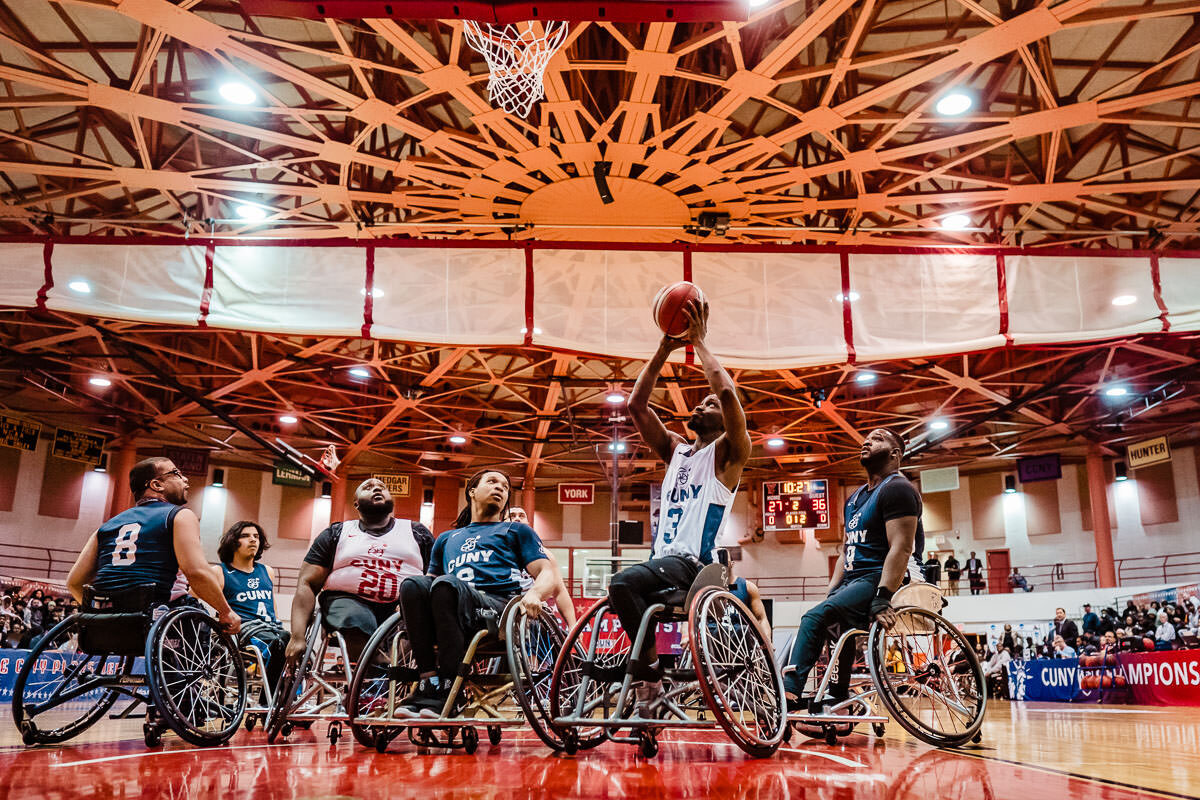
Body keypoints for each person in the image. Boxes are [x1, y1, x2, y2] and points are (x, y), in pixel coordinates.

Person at [609, 297, 751, 714]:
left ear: (725, 420)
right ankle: (648, 668)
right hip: (662, 560)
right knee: (622, 591)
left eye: (709, 405)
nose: (703, 403)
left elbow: (725, 390)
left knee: (621, 583)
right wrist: (664, 348)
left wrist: (699, 343)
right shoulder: (678, 452)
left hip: (696, 565)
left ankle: (648, 678)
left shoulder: (729, 454)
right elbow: (635, 406)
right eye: (701, 402)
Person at [396, 469, 561, 717]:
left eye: (505, 486)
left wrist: (535, 594)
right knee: (412, 585)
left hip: (495, 609)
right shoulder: (447, 538)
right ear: (472, 491)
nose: (500, 488)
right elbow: (427, 585)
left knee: (445, 586)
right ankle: (428, 681)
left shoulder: (516, 531)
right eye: (492, 482)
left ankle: (452, 689)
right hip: (449, 603)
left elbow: (547, 572)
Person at [783, 427, 922, 712]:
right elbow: (847, 550)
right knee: (828, 622)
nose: (867, 441)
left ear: (895, 454)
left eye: (879, 438)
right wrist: (832, 593)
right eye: (867, 438)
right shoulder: (854, 499)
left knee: (813, 618)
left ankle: (790, 693)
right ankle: (839, 701)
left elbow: (902, 548)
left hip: (886, 576)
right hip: (856, 579)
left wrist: (883, 596)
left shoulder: (898, 488)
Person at [65, 457, 239, 636]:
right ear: (157, 485)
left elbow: (74, 583)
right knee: (204, 621)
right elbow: (196, 572)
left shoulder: (106, 527)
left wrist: (99, 613)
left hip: (108, 620)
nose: (185, 479)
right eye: (176, 474)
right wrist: (226, 611)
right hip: (158, 613)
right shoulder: (180, 516)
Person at [288, 478, 432, 666]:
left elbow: (435, 576)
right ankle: (375, 675)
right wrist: (298, 636)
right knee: (357, 618)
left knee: (417, 619)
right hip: (348, 600)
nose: (376, 488)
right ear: (356, 503)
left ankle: (389, 673)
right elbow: (307, 583)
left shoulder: (416, 532)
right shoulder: (336, 533)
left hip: (402, 604)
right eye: (368, 487)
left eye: (382, 487)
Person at [214, 521, 289, 687]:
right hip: (244, 630)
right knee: (276, 644)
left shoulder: (267, 571)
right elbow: (195, 592)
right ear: (233, 541)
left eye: (256, 536)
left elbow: (271, 603)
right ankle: (269, 702)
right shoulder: (220, 571)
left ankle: (280, 698)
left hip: (271, 628)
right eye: (245, 536)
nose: (253, 540)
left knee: (291, 641)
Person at [507, 507, 576, 629]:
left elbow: (559, 591)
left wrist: (572, 626)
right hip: (504, 605)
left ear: (528, 523)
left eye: (521, 515)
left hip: (534, 609)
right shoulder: (493, 550)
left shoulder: (545, 554)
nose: (517, 518)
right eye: (512, 515)